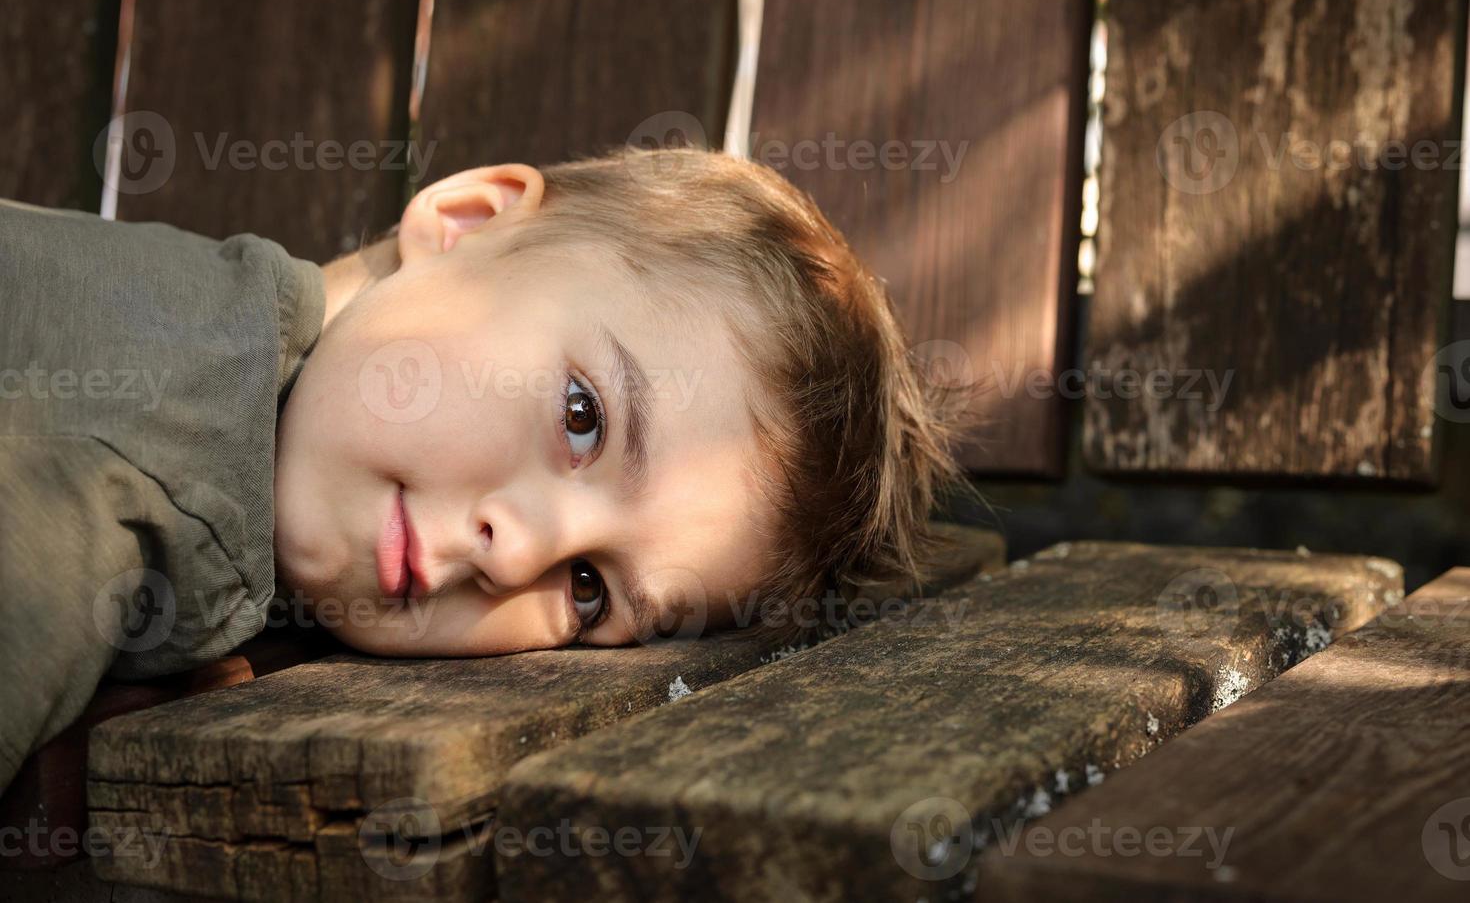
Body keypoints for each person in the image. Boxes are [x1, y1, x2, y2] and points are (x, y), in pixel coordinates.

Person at [0, 146, 977, 792]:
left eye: (590, 592)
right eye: (583, 415)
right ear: (469, 220)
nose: (520, 552)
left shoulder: (215, 358)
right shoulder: (124, 471)